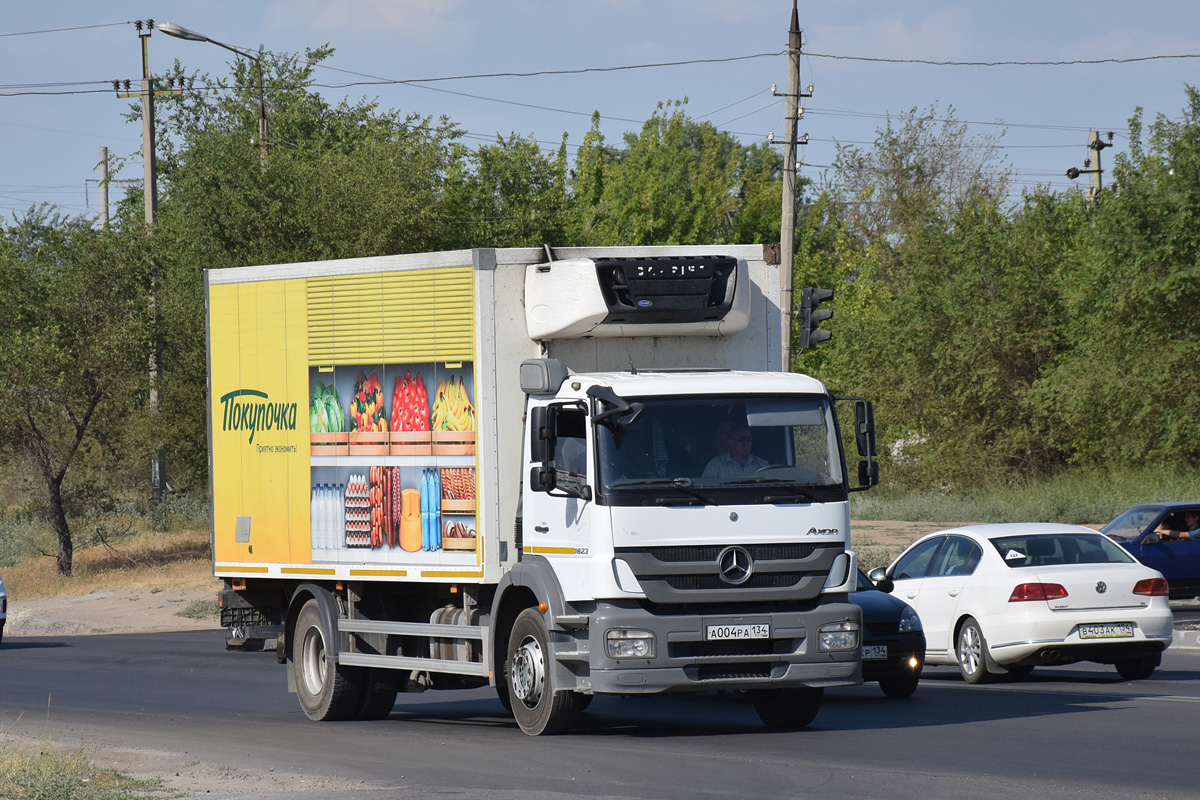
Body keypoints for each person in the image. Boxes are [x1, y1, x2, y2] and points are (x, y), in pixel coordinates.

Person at [702, 422, 768, 478]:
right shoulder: (716, 465)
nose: (746, 443)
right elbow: (704, 489)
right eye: (741, 439)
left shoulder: (762, 464)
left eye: (748, 439)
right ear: (730, 443)